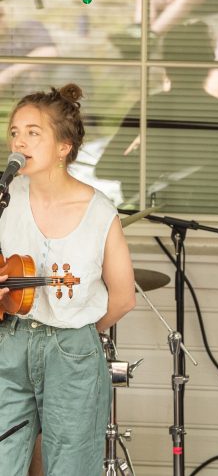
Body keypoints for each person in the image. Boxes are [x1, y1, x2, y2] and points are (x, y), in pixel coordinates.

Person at [0, 83, 136, 476]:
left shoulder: (98, 211)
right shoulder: (6, 199)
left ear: (63, 147)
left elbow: (124, 297)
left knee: (70, 466)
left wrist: (77, 336)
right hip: (11, 342)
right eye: (14, 132)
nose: (19, 141)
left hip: (73, 350)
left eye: (33, 132)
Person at [96, 21, 218, 214]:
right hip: (203, 224)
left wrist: (142, 163)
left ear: (164, 64)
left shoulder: (148, 107)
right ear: (210, 64)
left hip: (152, 220)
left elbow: (105, 167)